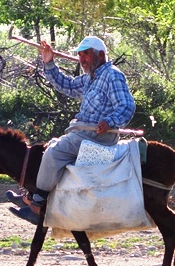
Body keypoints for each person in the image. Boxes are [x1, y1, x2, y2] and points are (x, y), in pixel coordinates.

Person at [9, 35, 136, 225]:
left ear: (100, 55)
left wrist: (109, 122)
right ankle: (32, 197)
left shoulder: (113, 75)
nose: (82, 59)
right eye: (80, 55)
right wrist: (49, 62)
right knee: (50, 147)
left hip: (99, 136)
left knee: (54, 152)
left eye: (86, 55)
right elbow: (66, 85)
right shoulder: (89, 78)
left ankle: (37, 206)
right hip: (83, 133)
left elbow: (127, 106)